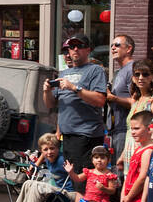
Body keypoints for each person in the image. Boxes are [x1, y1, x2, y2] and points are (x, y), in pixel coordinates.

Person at [42, 34, 107, 172]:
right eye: (72, 47)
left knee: (82, 179)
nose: (75, 49)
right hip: (67, 136)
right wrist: (47, 91)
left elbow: (100, 100)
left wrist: (74, 88)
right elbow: (50, 104)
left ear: (88, 50)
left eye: (80, 46)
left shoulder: (95, 70)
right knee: (72, 178)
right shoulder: (63, 73)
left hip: (86, 134)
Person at [1, 134, 68, 202]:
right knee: (28, 183)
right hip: (52, 190)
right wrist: (36, 163)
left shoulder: (61, 160)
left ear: (57, 148)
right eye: (46, 150)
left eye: (52, 148)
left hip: (63, 194)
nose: (49, 152)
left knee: (36, 185)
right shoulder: (48, 158)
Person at [118, 61, 153, 171]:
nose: (141, 78)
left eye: (145, 74)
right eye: (137, 74)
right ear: (133, 78)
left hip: (146, 151)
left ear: (152, 77)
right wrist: (122, 154)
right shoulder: (135, 99)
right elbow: (130, 131)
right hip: (130, 150)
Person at [106, 34, 136, 161]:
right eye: (112, 45)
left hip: (126, 129)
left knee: (121, 172)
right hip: (115, 130)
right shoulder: (119, 71)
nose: (113, 48)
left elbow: (137, 102)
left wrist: (113, 98)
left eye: (117, 45)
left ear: (128, 49)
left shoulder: (132, 69)